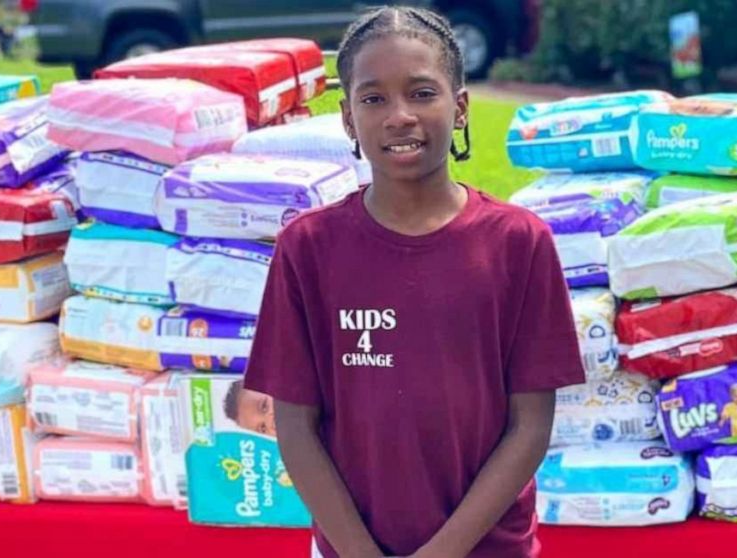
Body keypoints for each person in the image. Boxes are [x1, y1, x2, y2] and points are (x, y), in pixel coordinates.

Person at [244, 6, 584, 557]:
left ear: (462, 108)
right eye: (374, 98)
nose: (399, 115)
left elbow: (530, 427)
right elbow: (296, 428)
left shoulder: (519, 242)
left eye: (422, 93)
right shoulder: (307, 249)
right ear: (349, 119)